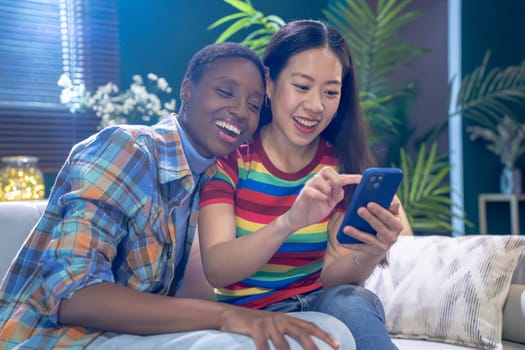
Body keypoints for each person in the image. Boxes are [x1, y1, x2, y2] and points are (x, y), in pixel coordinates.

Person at [0, 42, 353, 350]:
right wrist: (226, 315)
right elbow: (72, 295)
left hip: (124, 336)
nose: (239, 111)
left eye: (253, 104)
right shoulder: (127, 148)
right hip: (53, 339)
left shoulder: (207, 177)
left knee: (330, 333)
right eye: (225, 92)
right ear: (186, 90)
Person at [199, 20, 413, 350]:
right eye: (301, 87)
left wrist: (371, 253)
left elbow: (334, 280)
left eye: (330, 92)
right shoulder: (231, 161)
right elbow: (218, 269)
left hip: (320, 305)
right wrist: (290, 221)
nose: (315, 106)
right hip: (249, 315)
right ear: (269, 82)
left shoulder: (341, 166)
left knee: (352, 300)